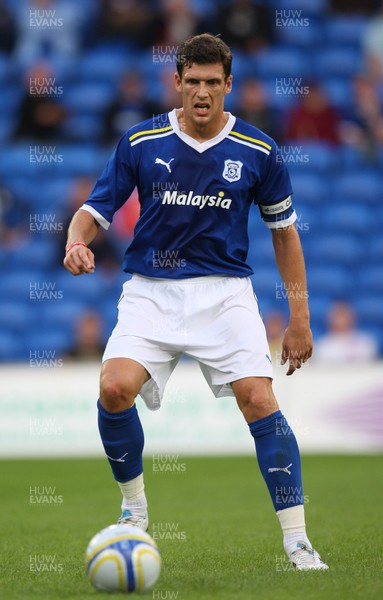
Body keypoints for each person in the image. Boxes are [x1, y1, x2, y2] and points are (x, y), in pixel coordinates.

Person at [63, 34, 328, 571]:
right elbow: (95, 209)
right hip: (150, 292)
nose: (202, 92)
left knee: (258, 399)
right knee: (114, 388)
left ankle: (297, 541)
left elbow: (285, 235)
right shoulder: (140, 142)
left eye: (213, 82)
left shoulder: (259, 151)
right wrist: (75, 241)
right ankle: (134, 511)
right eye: (193, 82)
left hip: (225, 294)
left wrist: (299, 317)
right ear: (177, 83)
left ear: (228, 85)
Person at [314, 301, 379, 363]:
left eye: (344, 315)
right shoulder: (322, 347)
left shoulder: (367, 344)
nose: (341, 320)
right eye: (338, 315)